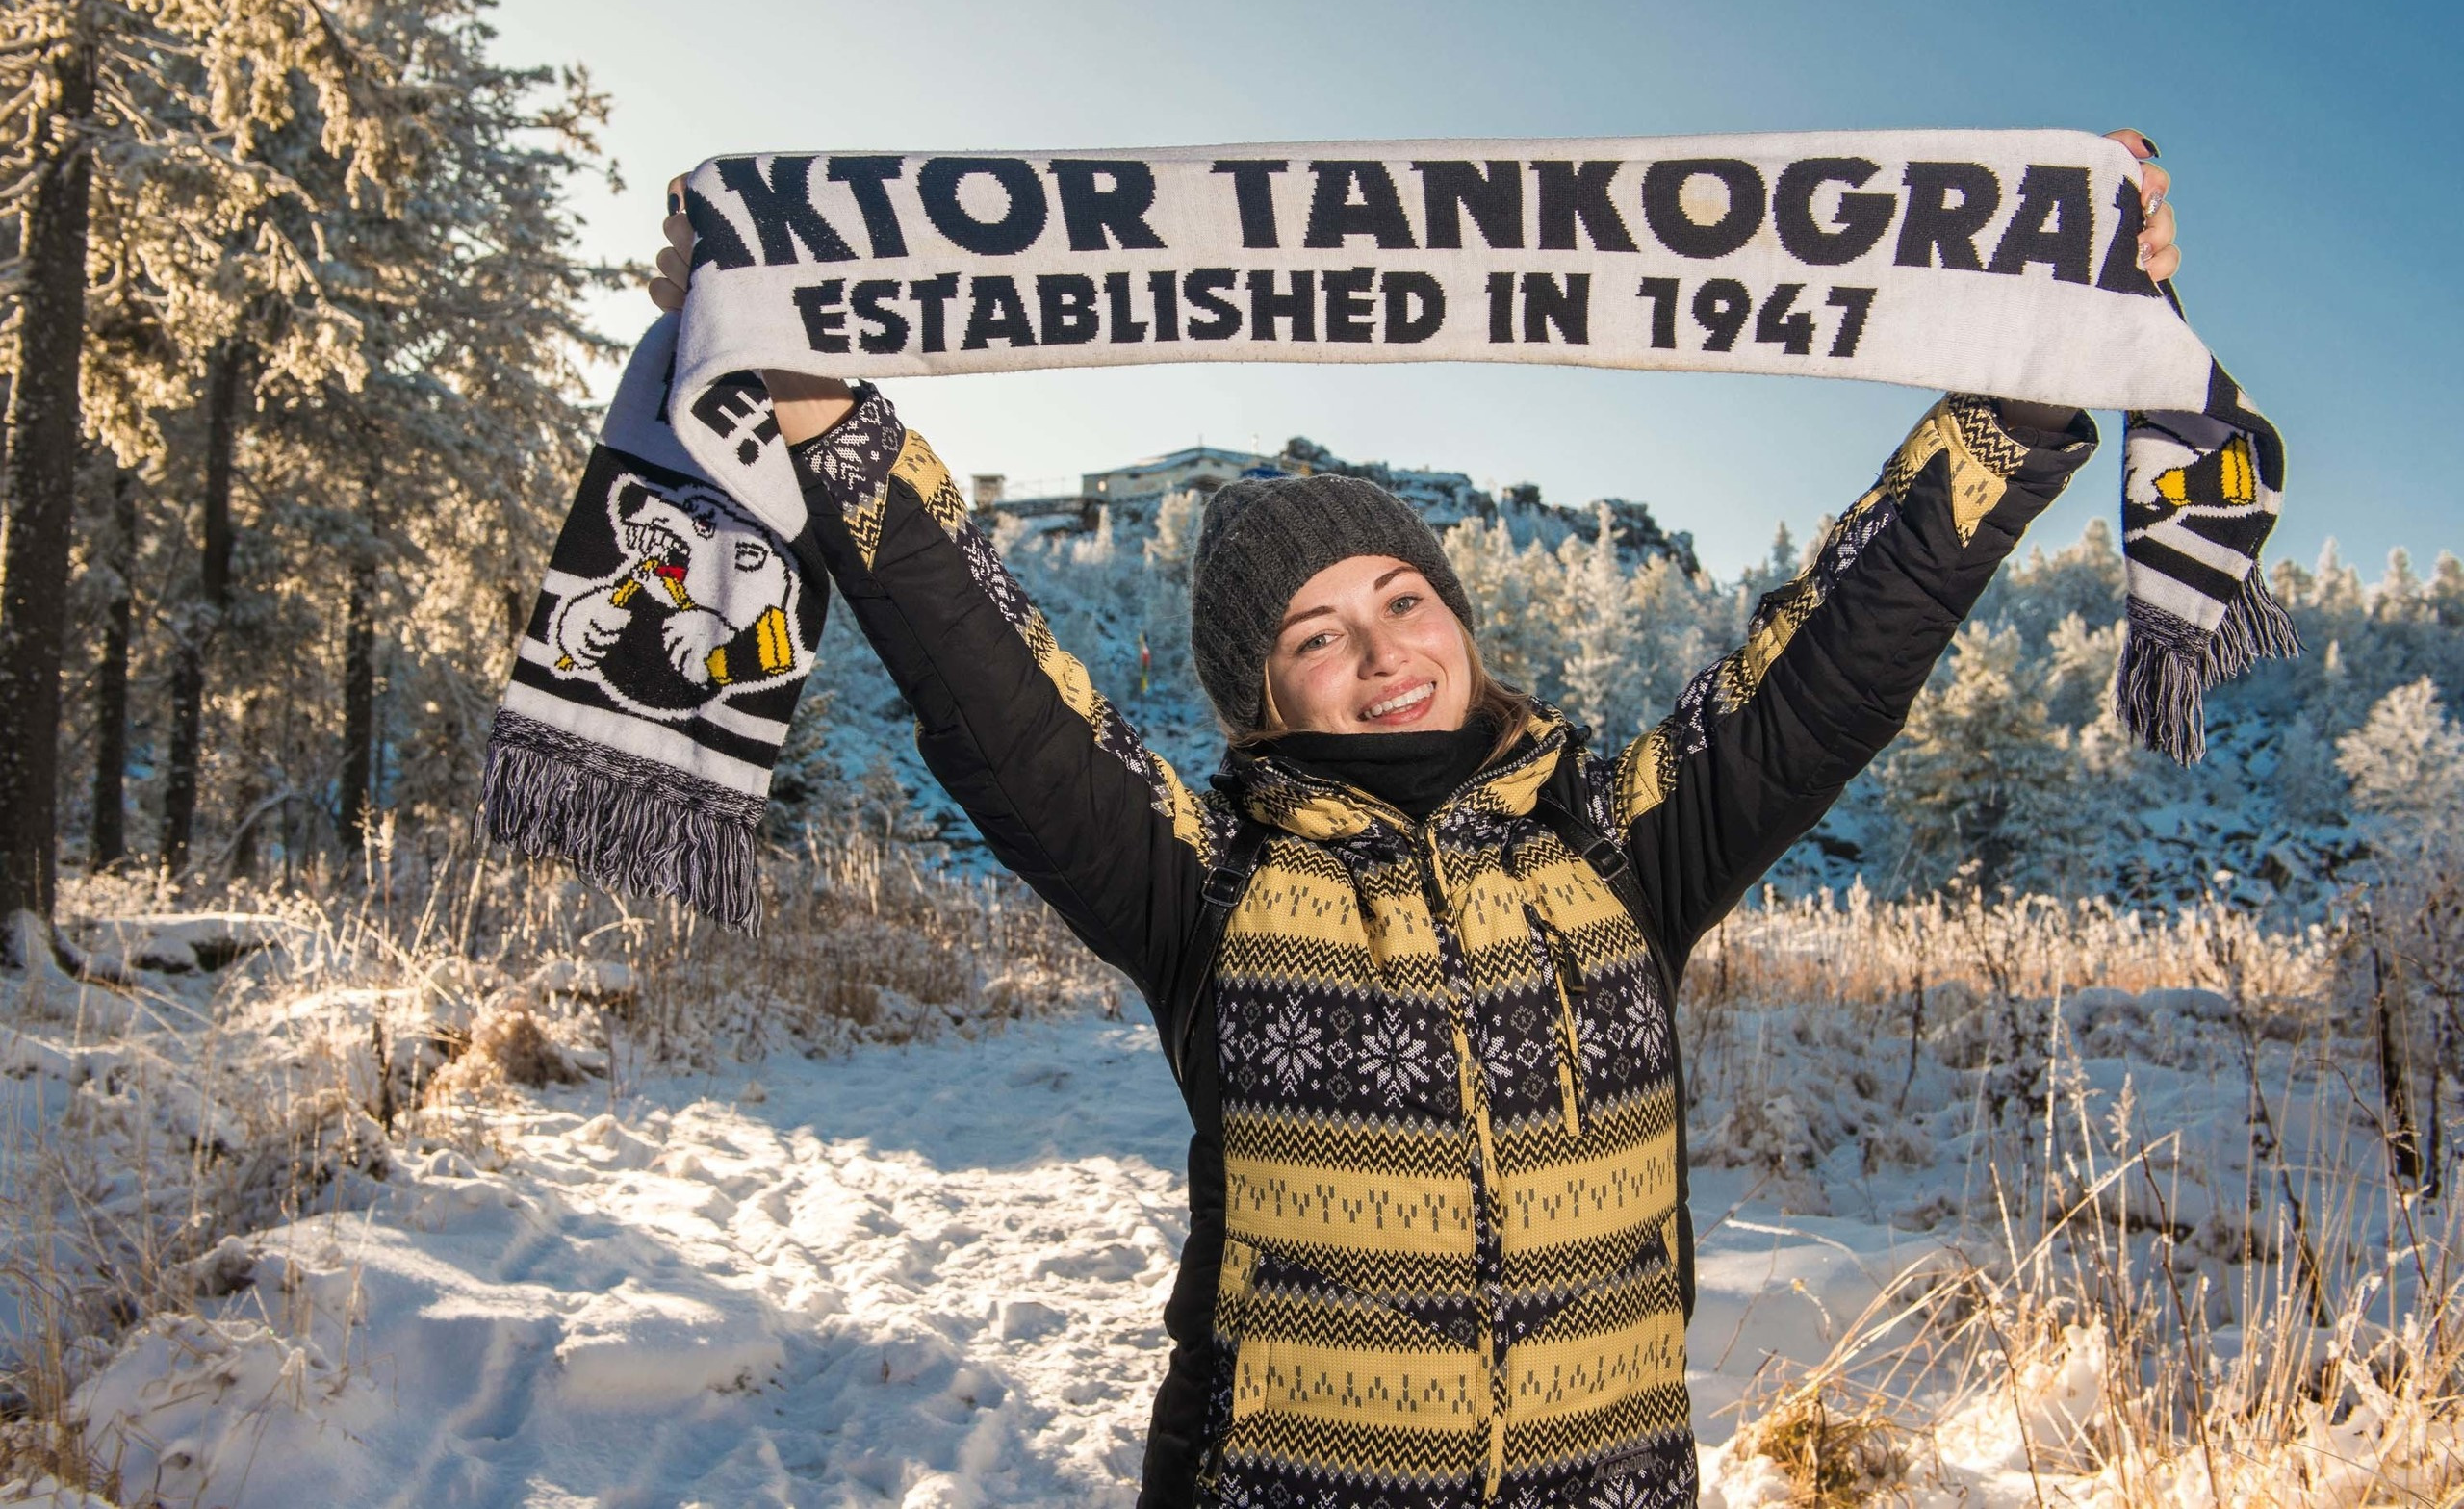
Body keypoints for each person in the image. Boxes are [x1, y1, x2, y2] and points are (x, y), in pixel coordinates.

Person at [646, 133, 2177, 1509]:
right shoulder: (1207, 886)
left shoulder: (1617, 848)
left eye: (1402, 600)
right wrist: (822, 414)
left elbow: (1838, 659)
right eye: (1314, 634)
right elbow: (995, 695)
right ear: (1265, 696)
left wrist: (2026, 389)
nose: (1381, 654)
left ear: (1460, 621)